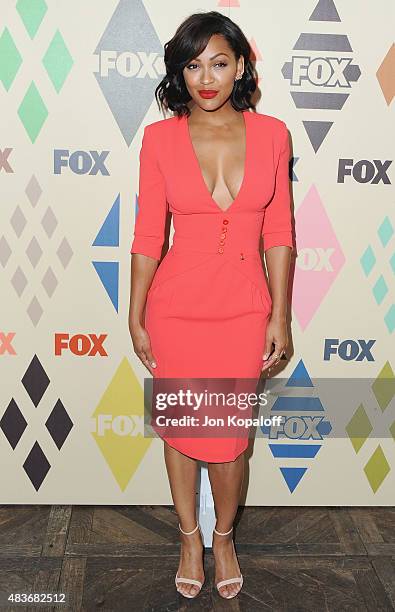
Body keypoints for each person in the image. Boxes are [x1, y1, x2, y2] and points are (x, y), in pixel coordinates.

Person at [128, 10, 294, 600]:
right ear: (180, 71)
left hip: (245, 308)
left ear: (240, 66)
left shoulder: (273, 134)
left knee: (228, 438)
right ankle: (188, 536)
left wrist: (279, 314)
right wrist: (136, 313)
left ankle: (224, 536)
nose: (206, 77)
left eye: (219, 63)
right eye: (193, 64)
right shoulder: (159, 138)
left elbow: (279, 232)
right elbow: (150, 235)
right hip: (175, 309)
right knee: (179, 429)